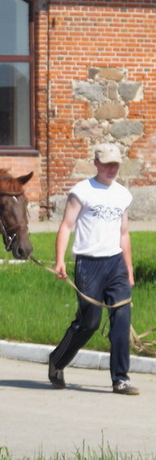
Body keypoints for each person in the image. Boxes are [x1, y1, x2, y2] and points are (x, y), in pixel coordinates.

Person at [48, 142, 138, 395]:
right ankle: (58, 360)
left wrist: (129, 269)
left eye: (115, 165)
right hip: (88, 264)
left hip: (115, 264)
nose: (111, 169)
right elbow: (66, 225)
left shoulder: (122, 194)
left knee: (121, 320)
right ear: (96, 163)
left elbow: (124, 233)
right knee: (89, 322)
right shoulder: (82, 191)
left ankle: (121, 379)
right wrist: (60, 260)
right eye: (107, 164)